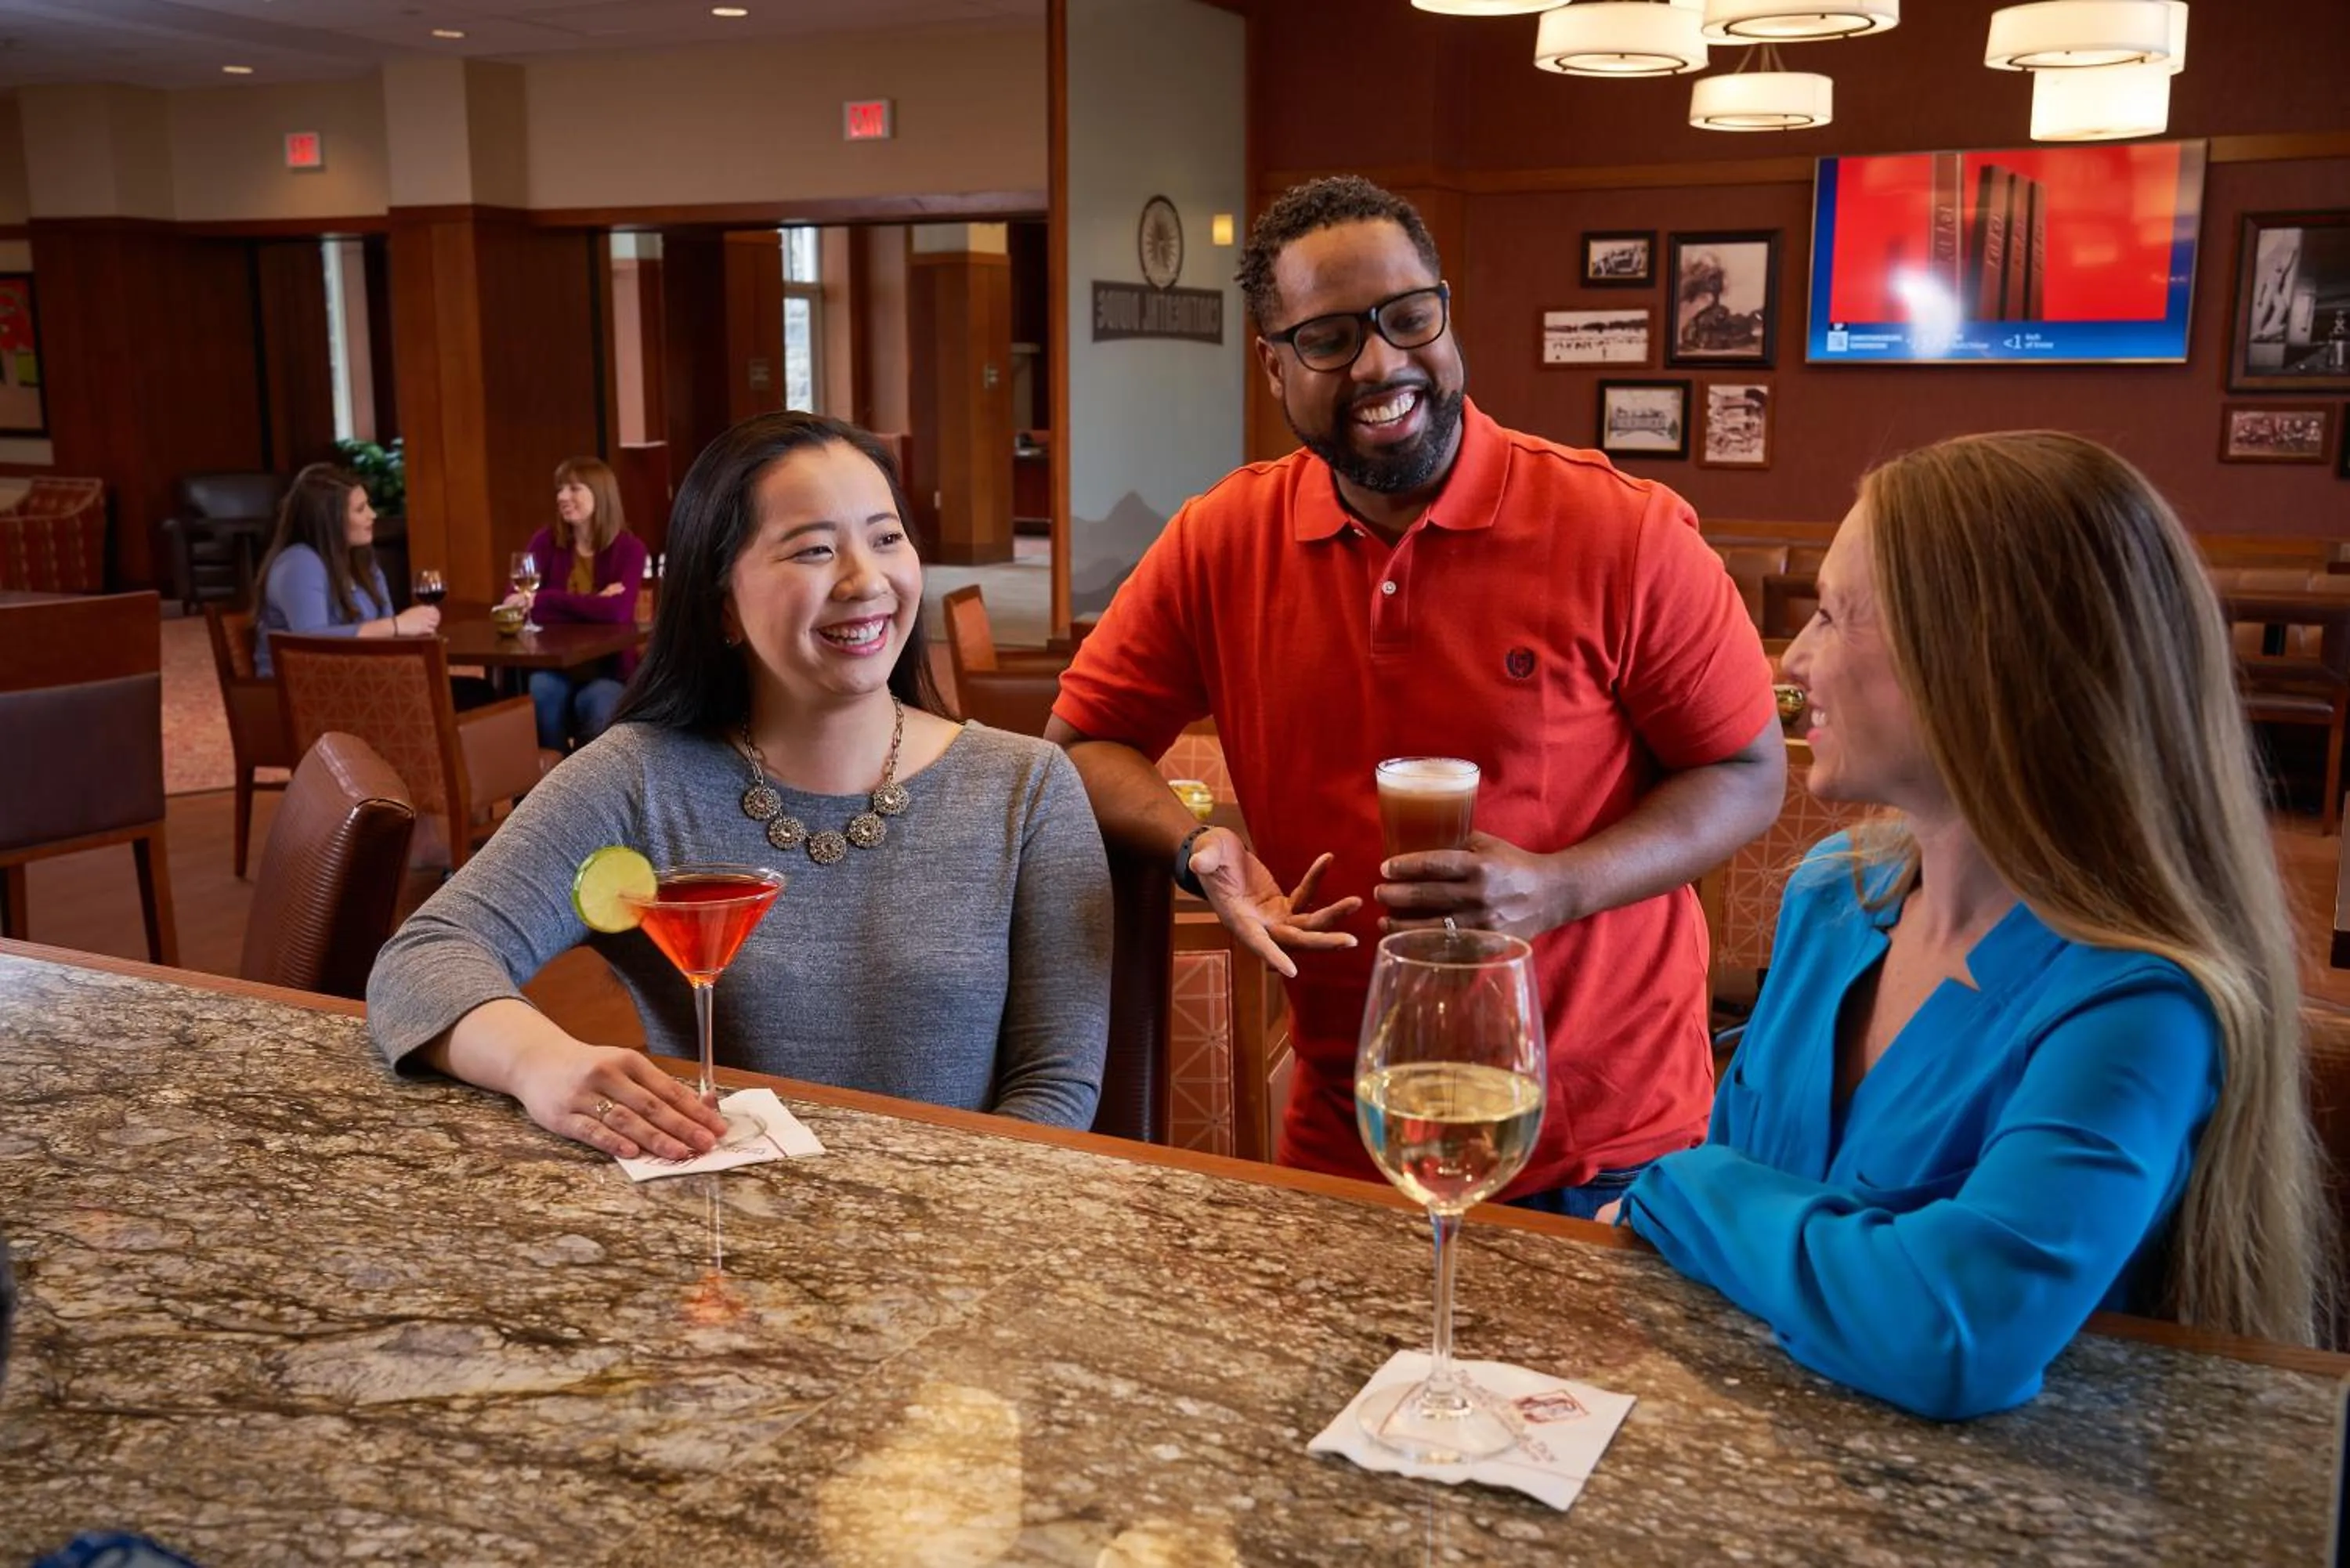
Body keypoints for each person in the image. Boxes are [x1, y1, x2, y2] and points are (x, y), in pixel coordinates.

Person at [1047, 176, 1784, 1213]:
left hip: (1604, 1139)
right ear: (1274, 366)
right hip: (1354, 1128)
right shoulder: (1222, 538)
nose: (1383, 363)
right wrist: (1200, 850)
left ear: (1446, 310)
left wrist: (1561, 885)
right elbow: (1082, 741)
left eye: (1408, 318)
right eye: (1331, 338)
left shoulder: (1624, 528)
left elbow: (1749, 773)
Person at [1610, 431, 2330, 1419]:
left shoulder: (2138, 1003)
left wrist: (1684, 1189)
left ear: (1986, 662)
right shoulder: (1830, 897)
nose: (1796, 658)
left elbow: (1955, 1330)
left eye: (1833, 615)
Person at [367, 411, 1113, 1158]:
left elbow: (1055, 1085)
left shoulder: (1027, 790)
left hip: (955, 1236)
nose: (866, 580)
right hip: (714, 1228)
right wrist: (544, 1064)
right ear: (723, 602)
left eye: (887, 539)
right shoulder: (640, 779)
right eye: (815, 550)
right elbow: (424, 957)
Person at [510, 457, 649, 753]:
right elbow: (515, 603)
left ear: (600, 494)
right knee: (541, 690)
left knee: (601, 702)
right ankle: (547, 787)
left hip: (607, 670)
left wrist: (544, 599)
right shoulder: (545, 541)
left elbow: (617, 612)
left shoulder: (630, 549)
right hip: (553, 665)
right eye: (560, 489)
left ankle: (587, 790)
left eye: (574, 489)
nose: (562, 497)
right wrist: (595, 602)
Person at [254, 463, 437, 676]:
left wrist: (412, 627)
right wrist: (396, 626)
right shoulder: (299, 563)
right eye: (360, 509)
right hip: (299, 691)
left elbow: (388, 627)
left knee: (460, 692)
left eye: (368, 505)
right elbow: (309, 642)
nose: (373, 515)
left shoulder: (362, 559)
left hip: (358, 677)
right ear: (329, 519)